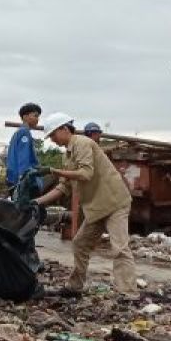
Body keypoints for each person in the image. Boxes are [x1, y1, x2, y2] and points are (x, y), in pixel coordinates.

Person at [33, 113, 136, 296]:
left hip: (114, 203)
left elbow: (85, 173)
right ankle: (74, 287)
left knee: (119, 248)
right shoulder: (69, 155)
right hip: (97, 207)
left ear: (64, 129)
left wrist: (53, 170)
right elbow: (63, 188)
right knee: (80, 243)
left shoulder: (83, 143)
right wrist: (35, 202)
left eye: (53, 135)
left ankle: (128, 293)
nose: (53, 140)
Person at [6, 103, 41, 190]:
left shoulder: (19, 132)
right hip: (20, 179)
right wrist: (23, 178)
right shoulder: (24, 133)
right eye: (35, 116)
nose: (37, 119)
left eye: (38, 117)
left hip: (12, 176)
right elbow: (23, 158)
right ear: (25, 117)